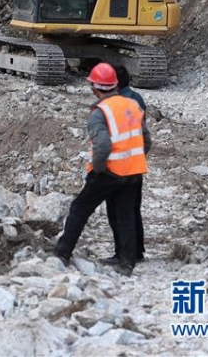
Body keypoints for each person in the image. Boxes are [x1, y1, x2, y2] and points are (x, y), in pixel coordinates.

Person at [54, 63, 151, 277]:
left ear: (94, 88)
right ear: (115, 85)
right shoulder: (133, 105)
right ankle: (126, 262)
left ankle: (62, 253)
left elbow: (103, 145)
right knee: (125, 215)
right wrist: (134, 159)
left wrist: (98, 170)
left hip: (109, 172)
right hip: (133, 172)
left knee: (79, 209)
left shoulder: (100, 112)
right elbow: (146, 140)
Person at [103, 64, 147, 266]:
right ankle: (137, 250)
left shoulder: (114, 104)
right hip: (136, 163)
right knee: (133, 209)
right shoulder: (137, 99)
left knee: (118, 212)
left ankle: (123, 253)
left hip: (117, 165)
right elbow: (144, 136)